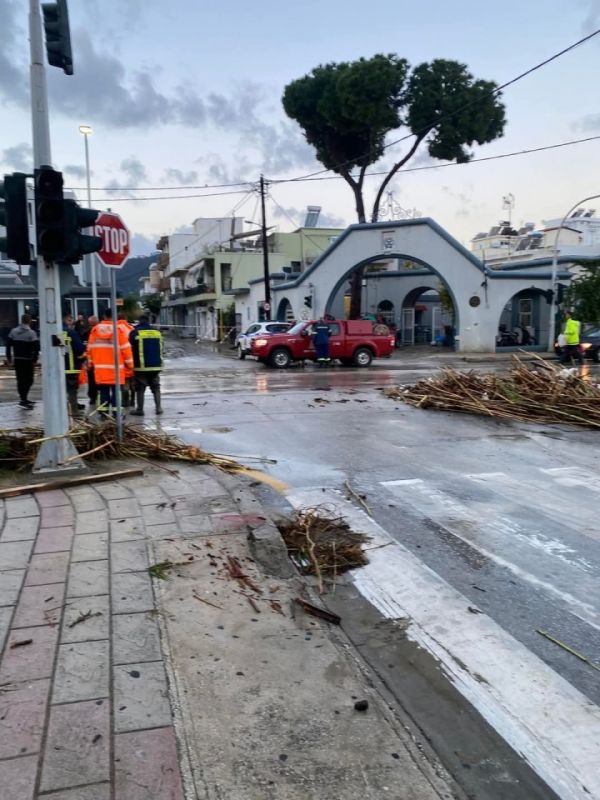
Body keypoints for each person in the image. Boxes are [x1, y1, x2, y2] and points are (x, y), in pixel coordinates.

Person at [86, 308, 134, 416]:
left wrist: (90, 364)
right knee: (117, 392)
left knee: (103, 392)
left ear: (103, 316)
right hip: (117, 370)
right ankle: (116, 415)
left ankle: (103, 413)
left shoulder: (94, 331)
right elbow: (126, 349)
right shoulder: (118, 331)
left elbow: (89, 349)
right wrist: (130, 365)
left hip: (100, 369)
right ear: (114, 317)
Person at [129, 314, 164, 416]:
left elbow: (129, 347)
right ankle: (158, 408)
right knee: (156, 387)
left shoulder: (135, 333)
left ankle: (140, 409)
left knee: (140, 388)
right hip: (156, 365)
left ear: (139, 321)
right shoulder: (157, 333)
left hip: (141, 366)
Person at [6, 315, 40, 409]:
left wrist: (9, 358)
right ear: (29, 322)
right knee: (29, 380)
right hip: (27, 360)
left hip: (17, 359)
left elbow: (8, 345)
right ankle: (24, 399)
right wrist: (35, 359)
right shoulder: (31, 333)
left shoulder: (13, 331)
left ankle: (23, 398)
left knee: (20, 380)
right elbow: (36, 348)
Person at [62, 313, 86, 416]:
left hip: (61, 367)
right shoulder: (71, 333)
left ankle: (66, 407)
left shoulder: (58, 332)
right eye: (70, 320)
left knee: (64, 388)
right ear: (67, 320)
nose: (72, 322)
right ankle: (74, 411)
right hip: (72, 366)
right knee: (72, 389)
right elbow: (79, 349)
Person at [117, 313, 135, 407]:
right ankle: (132, 400)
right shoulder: (131, 328)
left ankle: (125, 401)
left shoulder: (115, 329)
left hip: (120, 359)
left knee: (124, 382)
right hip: (131, 358)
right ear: (126, 318)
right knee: (133, 381)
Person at [85, 315, 98, 406]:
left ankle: (93, 398)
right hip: (101, 361)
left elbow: (86, 348)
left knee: (92, 381)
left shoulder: (88, 332)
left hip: (92, 361)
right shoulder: (100, 331)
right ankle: (96, 397)